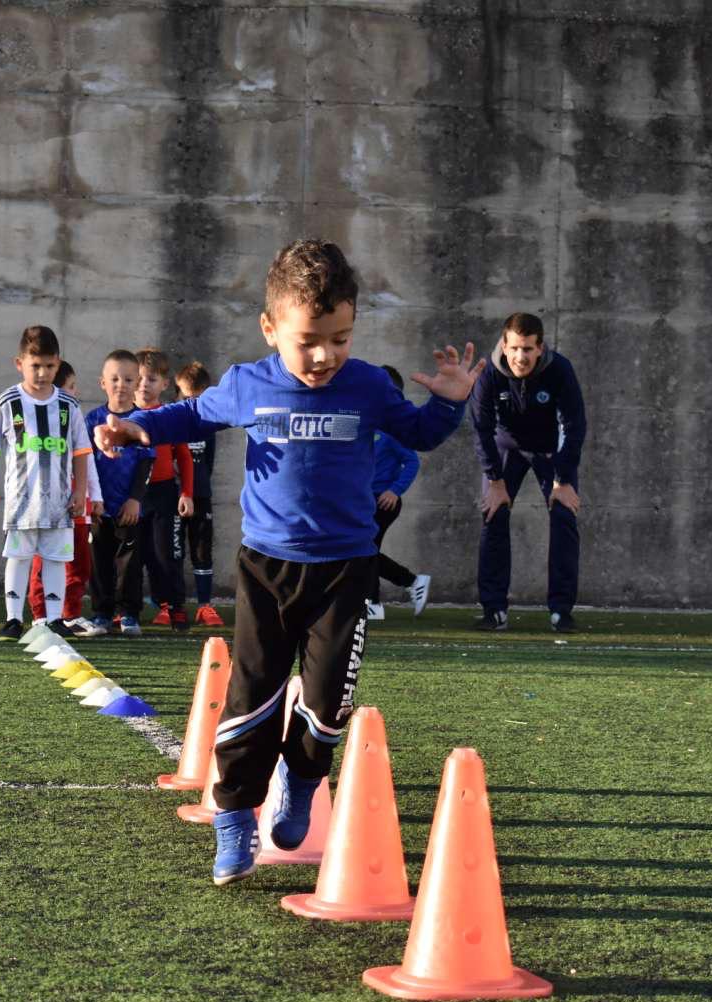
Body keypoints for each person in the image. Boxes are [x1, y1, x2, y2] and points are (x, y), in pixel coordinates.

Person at [95, 238, 483, 885]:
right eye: (310, 340)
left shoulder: (364, 387)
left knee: (330, 701)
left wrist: (448, 402)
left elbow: (418, 432)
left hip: (345, 569)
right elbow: (194, 412)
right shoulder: (250, 385)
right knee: (254, 693)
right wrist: (141, 427)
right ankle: (235, 818)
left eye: (341, 336)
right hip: (266, 568)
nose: (326, 354)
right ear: (271, 329)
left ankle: (302, 782)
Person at [470, 311, 587, 633]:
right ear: (504, 347)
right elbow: (481, 429)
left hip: (550, 449)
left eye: (528, 349)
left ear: (540, 348)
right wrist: (495, 480)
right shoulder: (489, 373)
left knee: (564, 515)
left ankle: (561, 611)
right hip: (506, 448)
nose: (521, 357)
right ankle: (495, 610)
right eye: (515, 348)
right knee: (494, 514)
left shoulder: (559, 369)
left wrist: (562, 479)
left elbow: (574, 426)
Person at [0, 325, 91, 641]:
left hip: (59, 499)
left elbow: (81, 451)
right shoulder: (9, 401)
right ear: (20, 364)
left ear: (58, 363)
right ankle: (13, 619)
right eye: (35, 366)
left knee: (56, 558)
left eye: (50, 366)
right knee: (19, 556)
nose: (43, 373)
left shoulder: (68, 406)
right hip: (21, 498)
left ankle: (53, 620)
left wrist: (80, 490)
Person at [26, 360, 105, 634]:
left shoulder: (74, 418)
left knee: (79, 564)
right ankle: (40, 615)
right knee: (44, 560)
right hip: (46, 507)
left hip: (77, 506)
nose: (76, 391)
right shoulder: (36, 421)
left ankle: (69, 614)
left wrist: (94, 496)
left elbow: (88, 461)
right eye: (71, 386)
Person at [84, 349, 152, 636]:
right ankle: (101, 612)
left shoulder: (142, 422)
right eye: (114, 379)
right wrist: (92, 498)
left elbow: (146, 463)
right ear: (103, 383)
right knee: (99, 561)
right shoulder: (92, 419)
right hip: (100, 505)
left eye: (128, 379)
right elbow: (84, 461)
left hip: (128, 506)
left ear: (137, 383)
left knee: (130, 563)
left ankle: (129, 614)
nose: (121, 385)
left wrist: (135, 499)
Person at [133, 348, 194, 633]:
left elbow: (183, 456)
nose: (145, 384)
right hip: (131, 495)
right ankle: (126, 609)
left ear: (165, 384)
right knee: (130, 554)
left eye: (152, 379)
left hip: (164, 493)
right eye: (140, 378)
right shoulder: (123, 416)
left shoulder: (169, 416)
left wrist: (187, 493)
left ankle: (173, 606)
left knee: (165, 552)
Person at [366, 365, 432, 621]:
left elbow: (412, 462)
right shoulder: (366, 423)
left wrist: (394, 491)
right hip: (363, 500)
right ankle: (411, 582)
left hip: (383, 501)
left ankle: (375, 602)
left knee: (366, 552)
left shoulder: (393, 428)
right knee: (364, 552)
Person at [175, 361, 225, 627]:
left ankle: (204, 604)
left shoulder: (208, 425)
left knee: (202, 548)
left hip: (201, 495)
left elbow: (208, 462)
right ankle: (172, 604)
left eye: (199, 398)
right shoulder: (172, 422)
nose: (193, 404)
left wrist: (198, 488)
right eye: (187, 398)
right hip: (173, 496)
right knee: (173, 550)